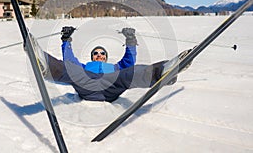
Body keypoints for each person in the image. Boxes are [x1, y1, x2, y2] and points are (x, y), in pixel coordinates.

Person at [31, 26, 191, 102]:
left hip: (110, 87)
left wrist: (130, 41)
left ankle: (163, 71)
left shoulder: (114, 68)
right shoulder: (85, 67)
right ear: (92, 57)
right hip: (87, 86)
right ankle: (45, 65)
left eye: (102, 53)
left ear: (106, 58)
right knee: (72, 69)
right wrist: (66, 40)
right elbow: (69, 60)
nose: (99, 55)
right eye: (96, 53)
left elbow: (129, 60)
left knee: (131, 71)